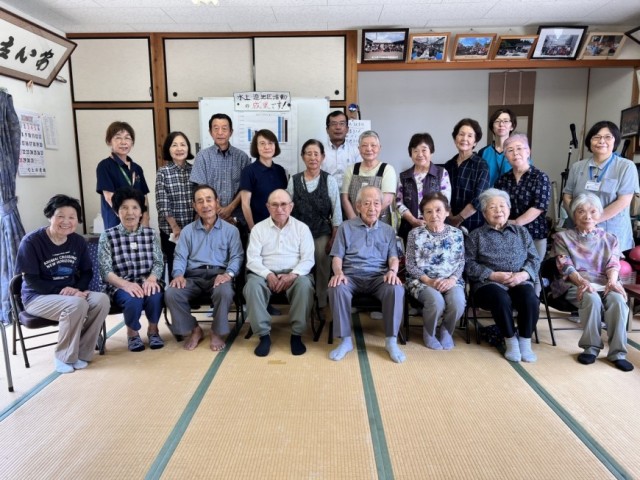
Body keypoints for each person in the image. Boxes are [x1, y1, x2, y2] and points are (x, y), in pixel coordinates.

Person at [15, 195, 110, 374]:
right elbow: (31, 280)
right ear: (50, 216)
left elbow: (87, 272)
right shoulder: (31, 242)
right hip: (37, 297)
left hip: (71, 294)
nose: (66, 221)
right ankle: (63, 356)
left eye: (72, 217)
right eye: (60, 216)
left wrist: (76, 290)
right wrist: (65, 292)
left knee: (102, 300)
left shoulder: (78, 241)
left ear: (77, 220)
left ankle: (82, 352)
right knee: (77, 304)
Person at [552, 193, 634, 372]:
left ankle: (618, 353)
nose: (587, 216)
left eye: (592, 211)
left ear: (600, 214)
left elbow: (613, 263)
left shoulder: (610, 238)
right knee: (591, 298)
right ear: (574, 215)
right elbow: (565, 266)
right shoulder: (562, 237)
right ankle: (591, 348)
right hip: (573, 283)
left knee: (619, 301)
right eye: (581, 211)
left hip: (605, 282)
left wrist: (613, 281)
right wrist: (581, 281)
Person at [328, 186, 406, 363]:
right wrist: (338, 273)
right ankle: (345, 340)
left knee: (396, 287)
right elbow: (337, 257)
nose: (372, 208)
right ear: (358, 206)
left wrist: (393, 272)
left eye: (376, 203)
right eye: (367, 203)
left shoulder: (388, 230)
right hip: (351, 276)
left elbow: (393, 257)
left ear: (382, 206)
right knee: (336, 287)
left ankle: (391, 341)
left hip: (378, 277)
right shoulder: (345, 228)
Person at [465, 188, 540, 363]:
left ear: (509, 208)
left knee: (530, 298)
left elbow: (534, 259)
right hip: (488, 284)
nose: (498, 210)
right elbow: (468, 264)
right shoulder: (476, 236)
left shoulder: (521, 232)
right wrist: (492, 275)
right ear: (484, 213)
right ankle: (510, 340)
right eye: (492, 207)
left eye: (502, 206)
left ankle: (525, 341)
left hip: (518, 280)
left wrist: (523, 275)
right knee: (500, 297)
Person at [164, 185, 243, 352]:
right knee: (171, 292)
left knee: (225, 291)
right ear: (194, 206)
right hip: (193, 277)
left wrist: (228, 274)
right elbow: (179, 257)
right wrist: (178, 274)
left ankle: (217, 331)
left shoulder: (231, 231)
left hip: (219, 275)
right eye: (200, 201)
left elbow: (237, 256)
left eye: (209, 200)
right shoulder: (187, 231)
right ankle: (194, 329)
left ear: (216, 202)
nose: (205, 205)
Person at [244, 189, 315, 357]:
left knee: (305, 285)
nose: (279, 209)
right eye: (274, 205)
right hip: (263, 273)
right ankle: (263, 335)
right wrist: (268, 274)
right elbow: (252, 259)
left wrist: (293, 275)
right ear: (268, 207)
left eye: (284, 204)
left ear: (291, 206)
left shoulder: (302, 228)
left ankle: (297, 334)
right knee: (252, 286)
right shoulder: (258, 229)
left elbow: (308, 260)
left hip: (295, 274)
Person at [99, 186, 164, 352]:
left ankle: (153, 330)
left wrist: (151, 279)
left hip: (146, 280)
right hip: (120, 285)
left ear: (141, 212)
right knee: (133, 298)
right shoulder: (108, 235)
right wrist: (126, 285)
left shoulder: (151, 234)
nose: (130, 213)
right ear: (116, 212)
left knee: (155, 294)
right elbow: (105, 270)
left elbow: (158, 262)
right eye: (124, 208)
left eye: (135, 207)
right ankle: (133, 333)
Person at [563, 120, 639, 252]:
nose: (601, 141)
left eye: (607, 137)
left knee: (612, 270)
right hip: (579, 231)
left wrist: (592, 221)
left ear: (615, 141)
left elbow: (624, 201)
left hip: (612, 233)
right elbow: (567, 196)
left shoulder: (626, 166)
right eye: (596, 137)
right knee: (578, 269)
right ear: (589, 142)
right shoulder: (577, 167)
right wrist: (578, 219)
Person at [287, 139, 342, 316]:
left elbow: (337, 211)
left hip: (322, 232)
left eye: (316, 154)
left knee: (322, 263)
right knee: (300, 265)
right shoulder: (293, 181)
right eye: (308, 153)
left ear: (323, 157)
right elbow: (287, 208)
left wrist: (334, 237)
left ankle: (321, 302)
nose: (312, 157)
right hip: (298, 233)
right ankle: (304, 301)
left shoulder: (329, 180)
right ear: (303, 157)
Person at [405, 193, 465, 350]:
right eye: (428, 211)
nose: (434, 215)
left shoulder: (457, 234)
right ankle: (429, 333)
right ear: (423, 214)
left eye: (438, 210)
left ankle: (446, 331)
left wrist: (452, 280)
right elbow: (410, 264)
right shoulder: (415, 234)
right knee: (436, 301)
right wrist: (429, 281)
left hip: (451, 280)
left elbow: (460, 262)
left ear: (447, 212)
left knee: (457, 302)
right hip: (421, 280)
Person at [495, 133, 551, 290]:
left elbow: (539, 206)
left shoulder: (540, 177)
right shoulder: (502, 180)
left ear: (528, 151)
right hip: (509, 235)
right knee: (511, 271)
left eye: (519, 148)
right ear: (506, 156)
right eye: (510, 150)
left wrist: (516, 222)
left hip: (535, 234)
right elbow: (498, 205)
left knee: (533, 271)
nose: (515, 153)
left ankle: (532, 308)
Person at [190, 113, 251, 232]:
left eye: (224, 128)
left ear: (231, 132)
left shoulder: (242, 157)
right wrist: (218, 209)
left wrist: (230, 208)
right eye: (216, 128)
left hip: (236, 218)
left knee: (236, 250)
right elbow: (200, 188)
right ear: (210, 132)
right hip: (209, 218)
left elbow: (245, 188)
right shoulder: (202, 156)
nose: (220, 132)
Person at [397, 132, 451, 242]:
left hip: (436, 228)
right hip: (410, 228)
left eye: (424, 150)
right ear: (410, 153)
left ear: (431, 151)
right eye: (415, 150)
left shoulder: (441, 173)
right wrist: (413, 221)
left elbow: (445, 201)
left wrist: (431, 221)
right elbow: (398, 202)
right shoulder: (404, 176)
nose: (420, 154)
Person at [155, 131, 195, 281]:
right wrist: (174, 226)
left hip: (192, 227)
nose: (179, 148)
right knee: (175, 263)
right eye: (174, 145)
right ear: (168, 149)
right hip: (171, 230)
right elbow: (162, 203)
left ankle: (191, 294)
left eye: (183, 144)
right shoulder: (163, 172)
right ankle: (176, 297)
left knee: (192, 262)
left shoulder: (194, 170)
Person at [96, 121, 151, 230]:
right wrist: (128, 216)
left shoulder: (137, 168)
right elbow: (109, 197)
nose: (123, 142)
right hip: (116, 220)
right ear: (109, 141)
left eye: (127, 138)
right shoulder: (104, 166)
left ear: (132, 142)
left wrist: (145, 217)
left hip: (138, 221)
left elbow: (144, 196)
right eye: (118, 138)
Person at [341, 130, 397, 226]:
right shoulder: (351, 169)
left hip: (380, 223)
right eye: (364, 145)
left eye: (373, 145)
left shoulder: (387, 169)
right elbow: (344, 198)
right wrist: (355, 220)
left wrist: (370, 216)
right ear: (359, 149)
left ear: (379, 148)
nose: (369, 149)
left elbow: (387, 199)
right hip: (354, 222)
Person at [444, 118, 490, 232]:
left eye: (470, 136)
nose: (464, 138)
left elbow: (479, 198)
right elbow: (443, 195)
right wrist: (450, 218)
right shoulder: (448, 166)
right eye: (461, 134)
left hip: (474, 225)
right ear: (455, 139)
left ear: (475, 142)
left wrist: (458, 219)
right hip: (449, 223)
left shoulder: (481, 165)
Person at [240, 129, 288, 231]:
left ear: (275, 146)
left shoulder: (280, 170)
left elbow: (285, 200)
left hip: (280, 226)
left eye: (270, 143)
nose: (267, 147)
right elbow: (245, 204)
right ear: (256, 147)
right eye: (262, 143)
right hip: (259, 227)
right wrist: (253, 229)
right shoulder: (249, 171)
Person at [478, 108, 517, 186]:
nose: (501, 124)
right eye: (497, 121)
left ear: (512, 126)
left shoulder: (519, 152)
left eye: (505, 121)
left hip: (510, 197)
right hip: (487, 197)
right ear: (492, 127)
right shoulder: (483, 152)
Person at [324, 111, 361, 188]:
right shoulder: (320, 151)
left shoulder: (356, 151)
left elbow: (359, 177)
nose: (338, 127)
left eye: (342, 123)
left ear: (347, 129)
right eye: (334, 124)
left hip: (350, 194)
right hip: (326, 195)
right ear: (327, 129)